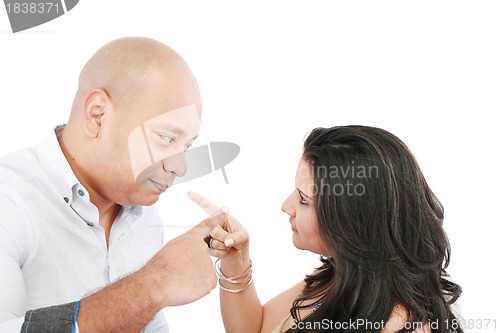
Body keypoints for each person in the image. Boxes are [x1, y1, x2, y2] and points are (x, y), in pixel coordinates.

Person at [0, 37, 230, 332]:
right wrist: (154, 282)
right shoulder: (10, 201)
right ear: (98, 114)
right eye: (167, 138)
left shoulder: (144, 217)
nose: (179, 167)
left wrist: (239, 280)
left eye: (186, 146)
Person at [190, 126, 463, 333]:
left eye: (304, 199)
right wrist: (236, 260)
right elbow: (256, 329)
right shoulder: (336, 276)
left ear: (351, 218)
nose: (286, 206)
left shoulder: (396, 325)